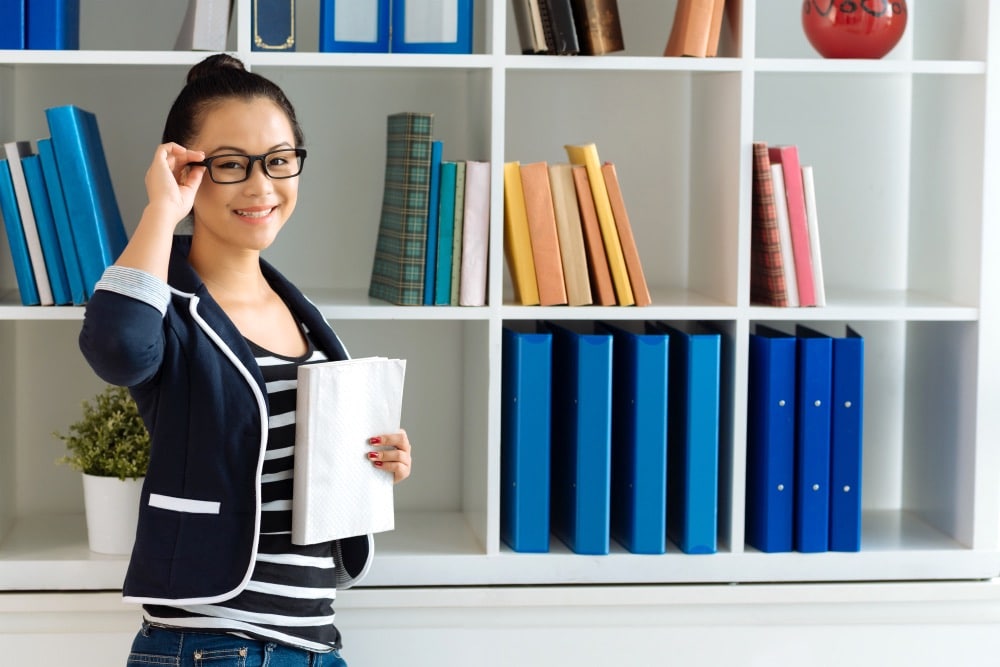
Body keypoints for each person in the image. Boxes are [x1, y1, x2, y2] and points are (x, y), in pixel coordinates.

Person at [79, 53, 412, 666]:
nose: (262, 186)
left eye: (280, 161)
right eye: (232, 165)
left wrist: (376, 459)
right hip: (212, 641)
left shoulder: (298, 308)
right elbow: (119, 351)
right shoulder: (166, 304)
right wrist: (161, 210)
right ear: (185, 168)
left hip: (312, 641)